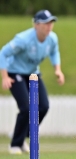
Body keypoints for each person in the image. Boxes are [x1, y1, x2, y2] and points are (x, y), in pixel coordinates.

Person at [0, 10, 65, 154]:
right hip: (14, 73)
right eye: (45, 23)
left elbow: (54, 52)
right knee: (26, 108)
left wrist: (58, 70)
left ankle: (23, 134)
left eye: (51, 23)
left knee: (43, 106)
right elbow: (3, 53)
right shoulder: (23, 39)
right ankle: (15, 144)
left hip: (32, 74)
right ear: (36, 25)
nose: (49, 26)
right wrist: (5, 77)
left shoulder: (52, 39)